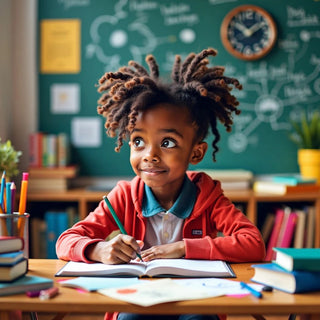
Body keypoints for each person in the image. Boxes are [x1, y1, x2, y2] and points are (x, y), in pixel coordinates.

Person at [56, 48, 266, 320]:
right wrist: (100, 249)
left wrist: (184, 248)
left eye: (167, 143)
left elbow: (253, 244)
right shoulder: (123, 196)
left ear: (196, 153)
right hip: (138, 299)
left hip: (195, 299)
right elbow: (66, 241)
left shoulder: (208, 196)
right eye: (138, 141)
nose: (149, 155)